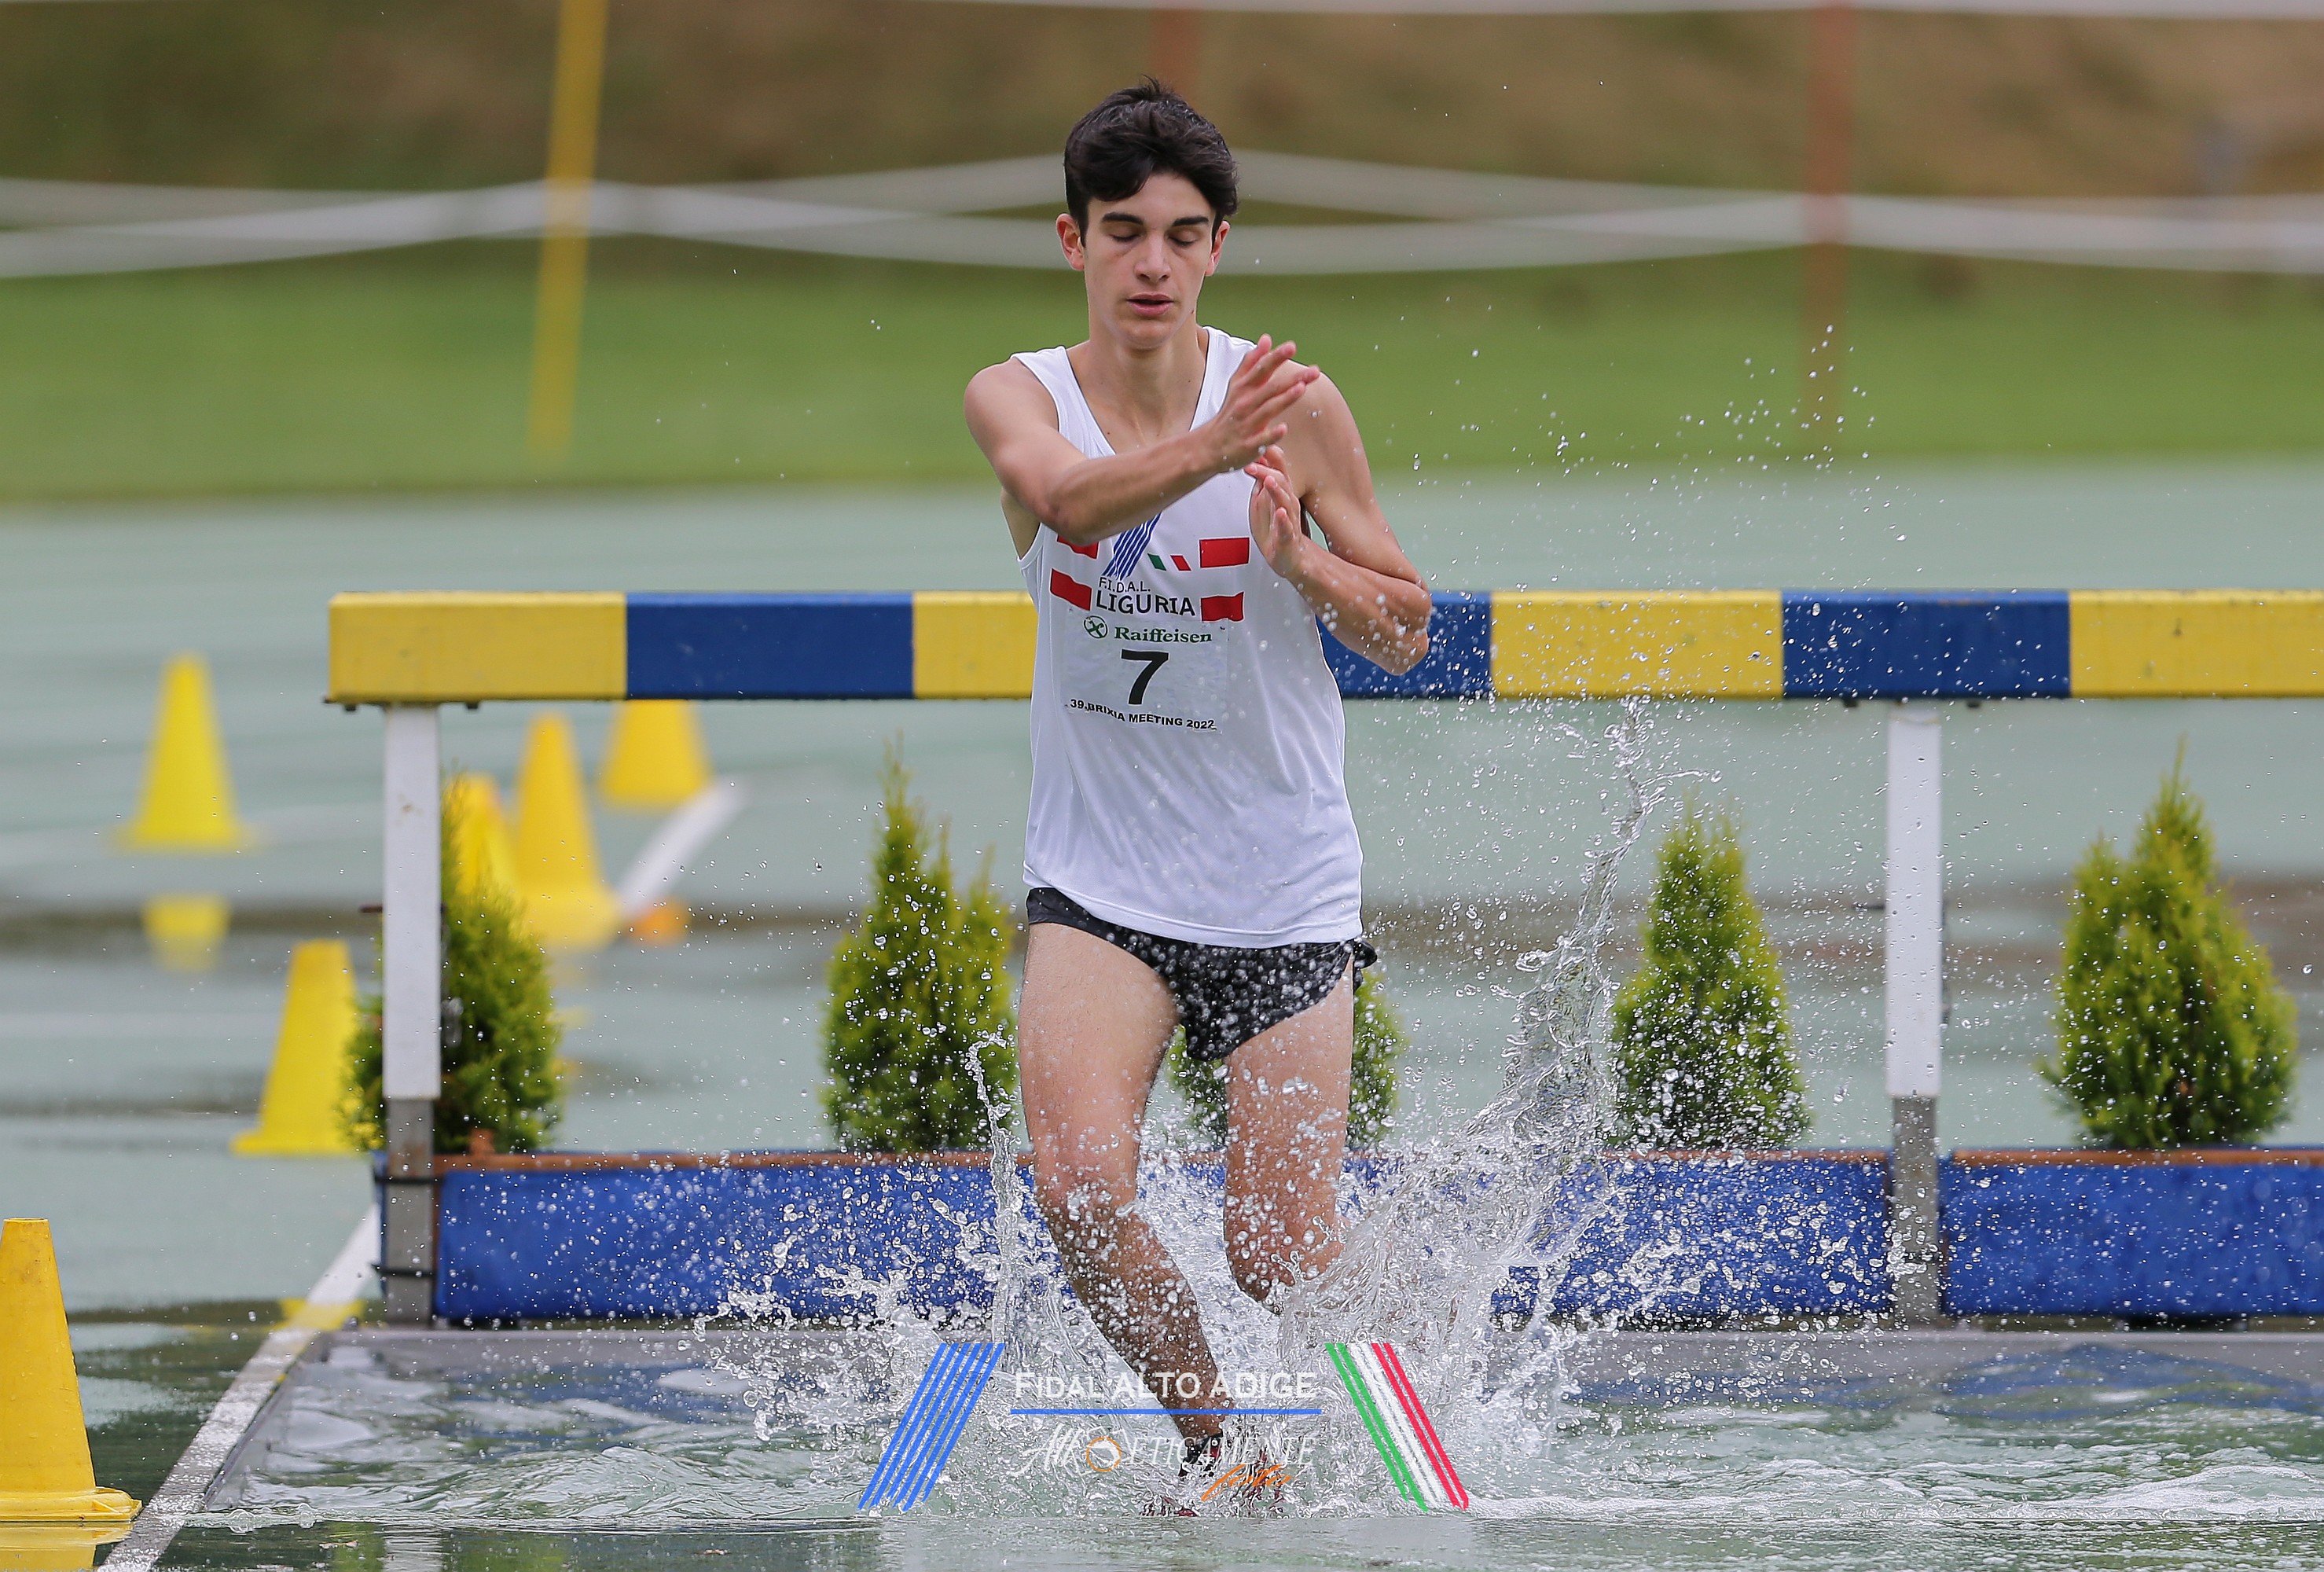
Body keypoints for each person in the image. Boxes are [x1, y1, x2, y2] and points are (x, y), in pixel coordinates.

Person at [962, 82, 1432, 1486]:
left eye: (1180, 235)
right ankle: (1221, 1448)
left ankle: (1416, 1353)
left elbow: (1405, 629)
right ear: (1074, 242)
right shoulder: (1017, 395)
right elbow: (1066, 503)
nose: (1151, 265)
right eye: (1123, 233)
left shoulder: (1298, 408)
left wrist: (1305, 566)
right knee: (1078, 1192)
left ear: (1217, 247)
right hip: (1101, 887)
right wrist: (1211, 454)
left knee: (1278, 1253)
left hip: (1279, 886)